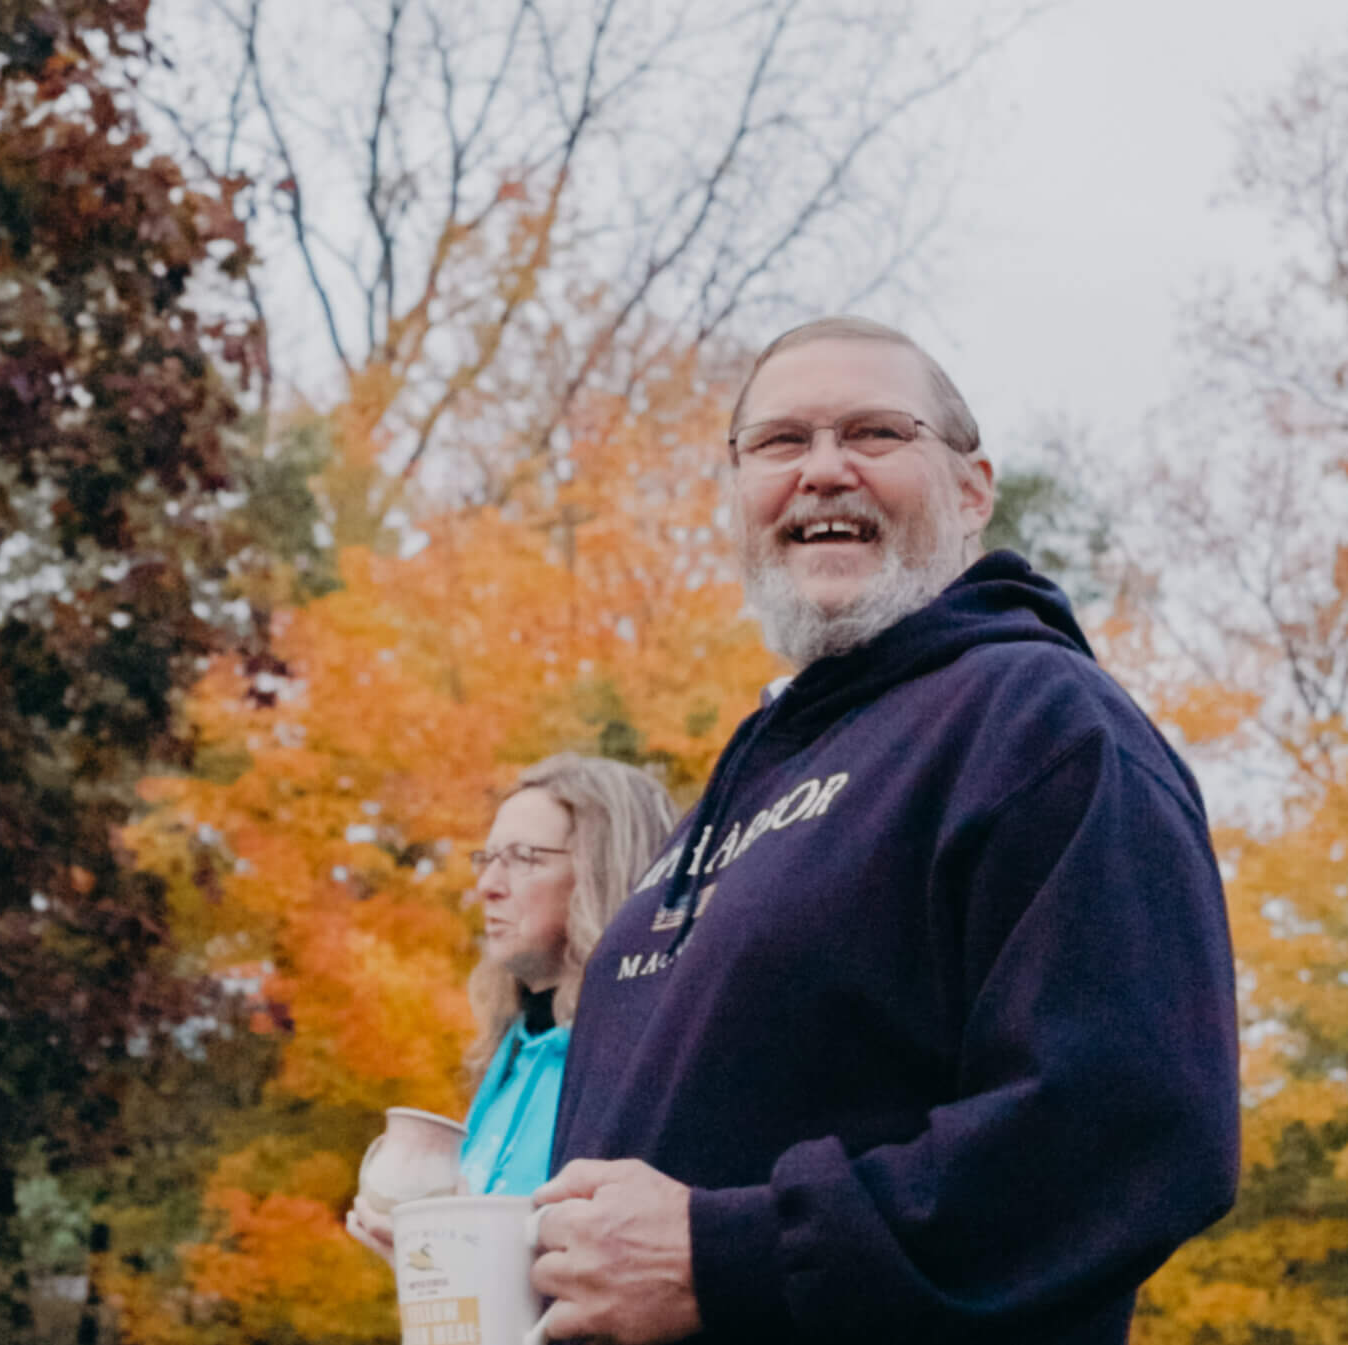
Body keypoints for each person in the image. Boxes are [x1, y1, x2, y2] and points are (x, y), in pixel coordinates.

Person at [526, 317, 1240, 1345]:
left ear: (971, 489)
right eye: (779, 443)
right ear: (736, 491)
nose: (823, 471)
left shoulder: (1041, 724)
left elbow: (1126, 1125)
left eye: (873, 432)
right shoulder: (731, 796)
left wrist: (726, 1256)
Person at [348, 753, 676, 1260]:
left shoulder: (650, 1063)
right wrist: (421, 1256)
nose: (487, 887)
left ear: (604, 872)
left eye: (523, 858)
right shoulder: (510, 1058)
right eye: (487, 858)